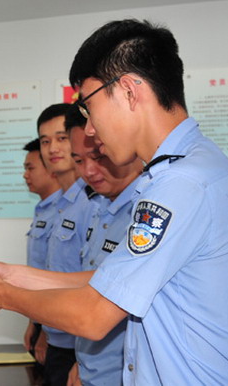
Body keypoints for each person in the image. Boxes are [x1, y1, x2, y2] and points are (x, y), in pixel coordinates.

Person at [0, 19, 228, 385]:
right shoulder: (197, 166)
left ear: (129, 91)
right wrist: (10, 274)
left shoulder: (180, 183)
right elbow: (110, 281)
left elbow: (93, 316)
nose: (90, 129)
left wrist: (0, 294)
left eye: (89, 107)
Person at [64, 104, 142, 385]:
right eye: (78, 160)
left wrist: (3, 292)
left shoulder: (144, 213)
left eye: (98, 157)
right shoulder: (101, 208)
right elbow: (89, 287)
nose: (89, 171)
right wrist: (82, 362)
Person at [36, 104, 100, 386]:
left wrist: (84, 356)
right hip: (58, 335)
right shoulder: (59, 203)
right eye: (45, 141)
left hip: (81, 342)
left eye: (61, 138)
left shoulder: (93, 201)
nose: (53, 148)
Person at [22, 138, 61, 368]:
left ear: (51, 169)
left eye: (30, 168)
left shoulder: (63, 210)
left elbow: (57, 275)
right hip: (41, 316)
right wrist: (33, 323)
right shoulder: (42, 209)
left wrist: (47, 332)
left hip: (54, 322)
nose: (25, 175)